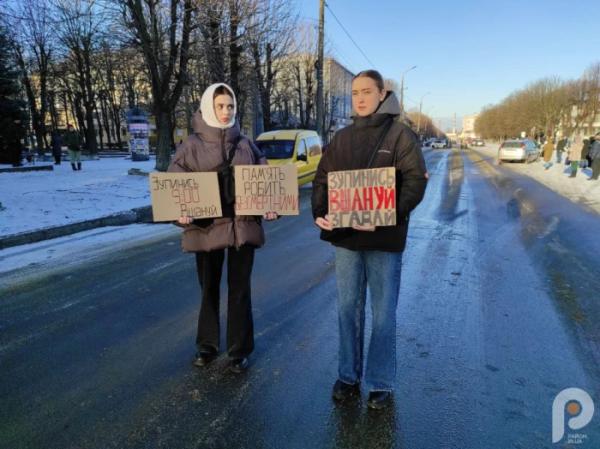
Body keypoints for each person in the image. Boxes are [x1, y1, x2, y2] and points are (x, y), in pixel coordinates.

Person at [311, 70, 428, 410]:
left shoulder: (401, 136)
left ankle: (380, 383)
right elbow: (323, 180)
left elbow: (415, 185)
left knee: (382, 314)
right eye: (355, 93)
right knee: (347, 310)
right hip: (346, 242)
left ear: (382, 94)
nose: (360, 98)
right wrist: (319, 210)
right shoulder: (342, 138)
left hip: (384, 243)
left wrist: (384, 216)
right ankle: (348, 377)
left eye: (366, 91)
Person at [167, 83, 277, 373]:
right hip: (206, 229)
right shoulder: (189, 147)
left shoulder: (247, 145)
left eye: (230, 106)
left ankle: (239, 349)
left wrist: (271, 205)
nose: (226, 111)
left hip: (243, 228)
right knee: (209, 289)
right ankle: (207, 345)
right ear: (208, 107)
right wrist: (182, 215)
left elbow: (266, 183)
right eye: (220, 106)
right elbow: (174, 190)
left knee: (240, 290)